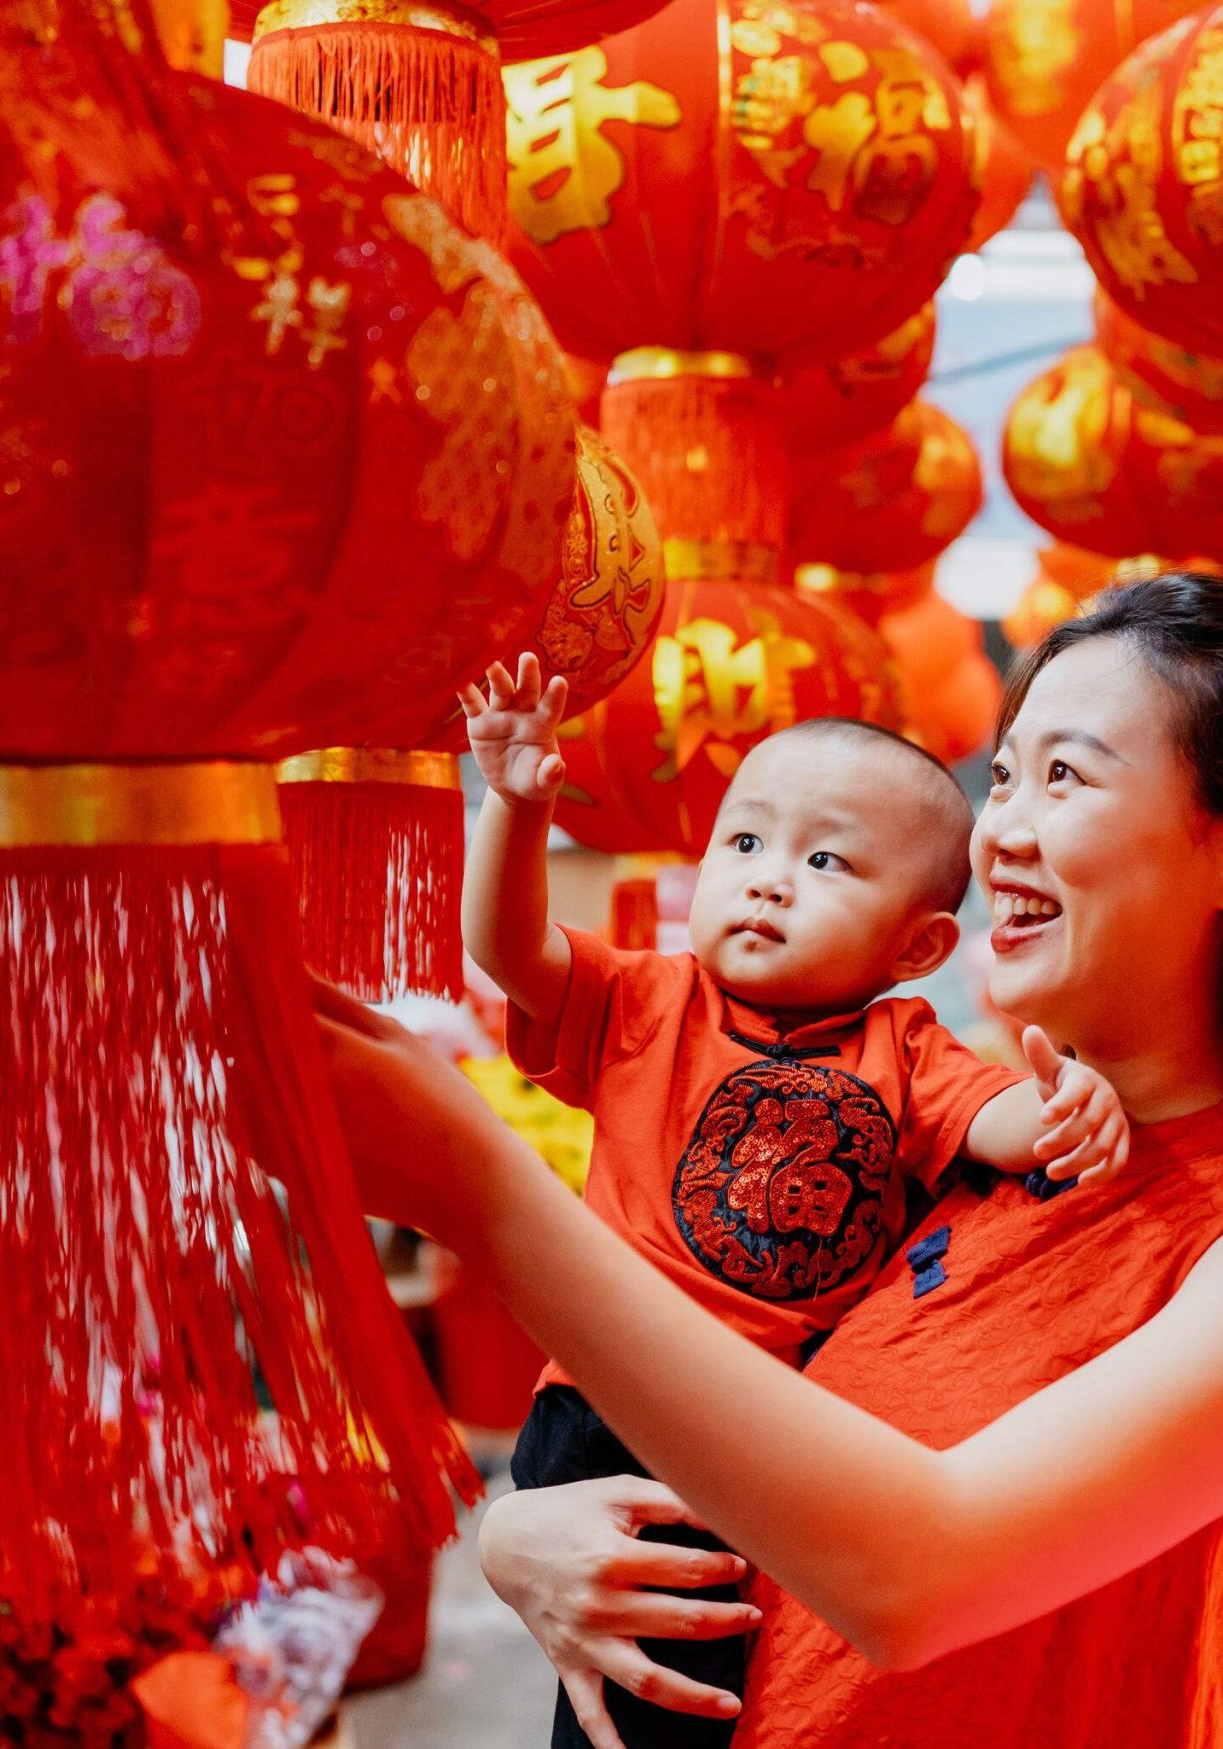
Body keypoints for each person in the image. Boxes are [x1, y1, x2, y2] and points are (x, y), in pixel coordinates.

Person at [316, 574, 1223, 1748]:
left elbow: (921, 1574)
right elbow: (766, 1436)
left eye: (1065, 776)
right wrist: (529, 1527)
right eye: (1003, 774)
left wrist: (485, 1197)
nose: (997, 827)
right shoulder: (948, 1150)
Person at [456, 659, 1132, 1749]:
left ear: (916, 946)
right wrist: (517, 806)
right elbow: (509, 951)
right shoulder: (649, 1000)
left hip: (761, 1433)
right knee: (649, 1697)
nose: (768, 881)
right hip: (611, 1409)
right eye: (744, 844)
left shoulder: (905, 1048)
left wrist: (1072, 1106)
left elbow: (999, 1125)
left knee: (719, 1680)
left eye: (824, 861)